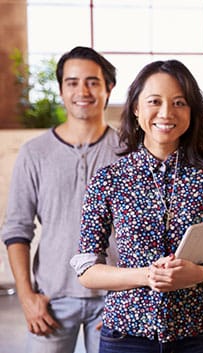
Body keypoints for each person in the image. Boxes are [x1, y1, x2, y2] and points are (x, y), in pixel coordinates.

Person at [71, 60, 203, 352]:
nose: (166, 113)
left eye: (179, 103)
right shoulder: (109, 178)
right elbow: (87, 268)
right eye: (154, 101)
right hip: (126, 336)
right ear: (136, 108)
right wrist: (146, 276)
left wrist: (198, 274)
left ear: (193, 111)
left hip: (198, 335)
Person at [0, 46, 118, 353]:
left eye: (92, 81)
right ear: (61, 89)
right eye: (72, 82)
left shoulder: (129, 150)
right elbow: (16, 230)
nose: (83, 91)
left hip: (115, 294)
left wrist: (129, 298)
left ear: (109, 87)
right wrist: (27, 297)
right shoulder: (34, 153)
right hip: (51, 298)